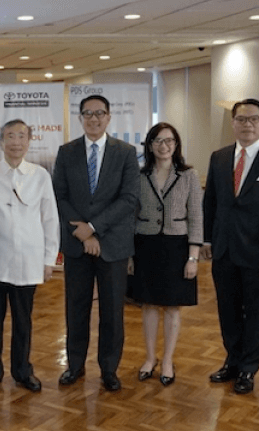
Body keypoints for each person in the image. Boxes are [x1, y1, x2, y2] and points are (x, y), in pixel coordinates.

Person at [53, 95, 139, 392]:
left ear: (109, 116)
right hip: (77, 245)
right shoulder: (66, 152)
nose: (93, 119)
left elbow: (129, 199)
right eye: (87, 114)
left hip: (111, 245)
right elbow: (60, 196)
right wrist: (82, 233)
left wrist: (93, 229)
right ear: (80, 118)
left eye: (99, 113)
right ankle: (74, 366)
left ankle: (109, 368)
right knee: (75, 308)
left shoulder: (126, 153)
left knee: (113, 311)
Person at [0, 119, 59, 394]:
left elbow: (50, 218)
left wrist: (49, 259)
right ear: (1, 141)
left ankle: (22, 371)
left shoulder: (40, 175)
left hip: (28, 261)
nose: (16, 142)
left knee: (23, 320)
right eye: (10, 136)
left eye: (21, 136)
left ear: (29, 141)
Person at [131, 122, 202, 387]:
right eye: (158, 141)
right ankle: (150, 358)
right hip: (146, 245)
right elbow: (132, 214)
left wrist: (193, 257)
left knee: (172, 306)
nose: (164, 146)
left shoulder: (188, 175)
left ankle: (168, 360)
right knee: (148, 304)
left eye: (169, 141)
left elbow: (196, 216)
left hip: (177, 246)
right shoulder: (139, 175)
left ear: (176, 144)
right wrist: (129, 255)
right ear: (150, 145)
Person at [201, 98, 259, 395]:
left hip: (255, 252)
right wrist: (207, 239)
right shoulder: (220, 157)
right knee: (228, 309)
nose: (247, 124)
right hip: (224, 249)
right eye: (241, 119)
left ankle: (249, 367)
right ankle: (232, 360)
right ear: (233, 123)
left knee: (255, 310)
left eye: (253, 119)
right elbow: (210, 200)